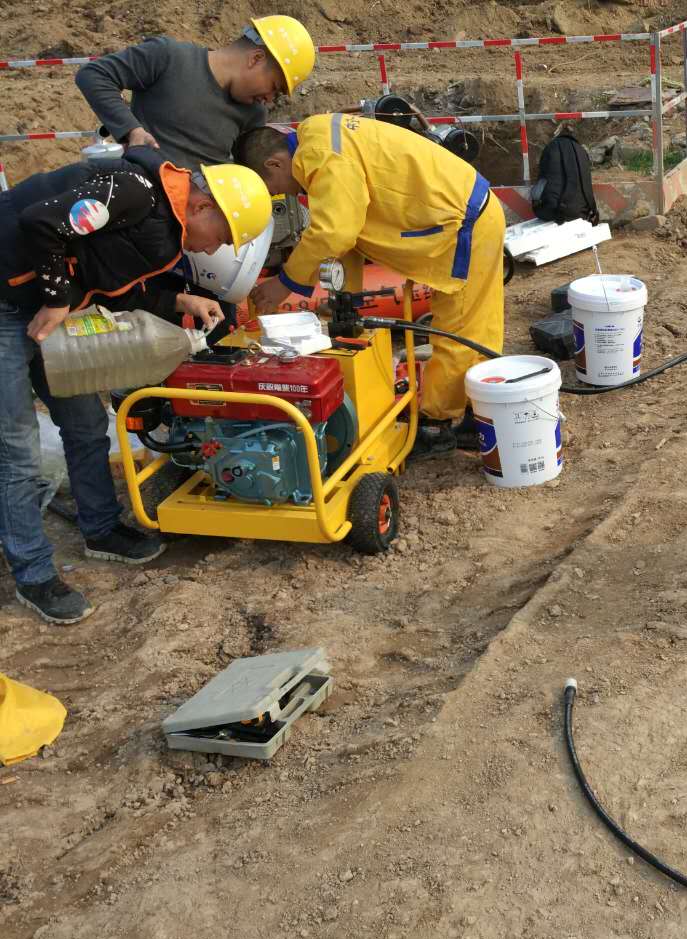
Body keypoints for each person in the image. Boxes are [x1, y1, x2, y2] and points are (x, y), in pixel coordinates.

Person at [0, 147, 272, 624]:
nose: (211, 250)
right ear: (204, 207)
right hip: (7, 303)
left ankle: (101, 530)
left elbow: (114, 277)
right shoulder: (133, 191)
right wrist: (58, 299)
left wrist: (179, 299)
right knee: (16, 451)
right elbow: (41, 222)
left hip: (44, 307)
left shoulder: (165, 228)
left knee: (85, 425)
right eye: (221, 238)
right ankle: (34, 573)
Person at [233, 115, 505, 456]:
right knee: (474, 324)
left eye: (272, 184)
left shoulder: (320, 157)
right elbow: (350, 234)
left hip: (463, 223)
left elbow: (335, 232)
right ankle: (478, 413)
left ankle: (437, 424)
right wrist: (348, 298)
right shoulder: (317, 138)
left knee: (460, 329)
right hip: (459, 213)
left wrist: (286, 282)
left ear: (275, 162)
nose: (279, 193)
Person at [75, 15, 315, 339]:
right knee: (149, 338)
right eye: (273, 87)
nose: (269, 100)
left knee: (222, 336)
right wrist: (131, 130)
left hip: (204, 245)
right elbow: (95, 75)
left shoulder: (252, 115)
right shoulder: (169, 57)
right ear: (256, 58)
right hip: (146, 237)